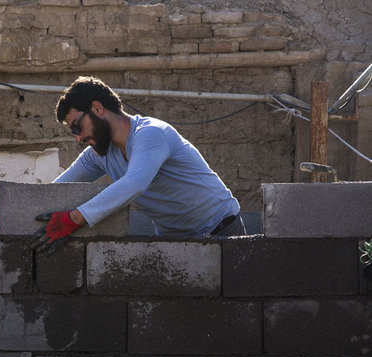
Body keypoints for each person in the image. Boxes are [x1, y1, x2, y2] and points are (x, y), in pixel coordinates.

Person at [29, 76, 245, 254]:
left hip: (221, 230)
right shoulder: (99, 154)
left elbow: (135, 183)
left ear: (97, 108)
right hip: (174, 242)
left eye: (77, 127)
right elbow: (55, 190)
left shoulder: (151, 133)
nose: (78, 138)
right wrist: (12, 211)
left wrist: (75, 218)